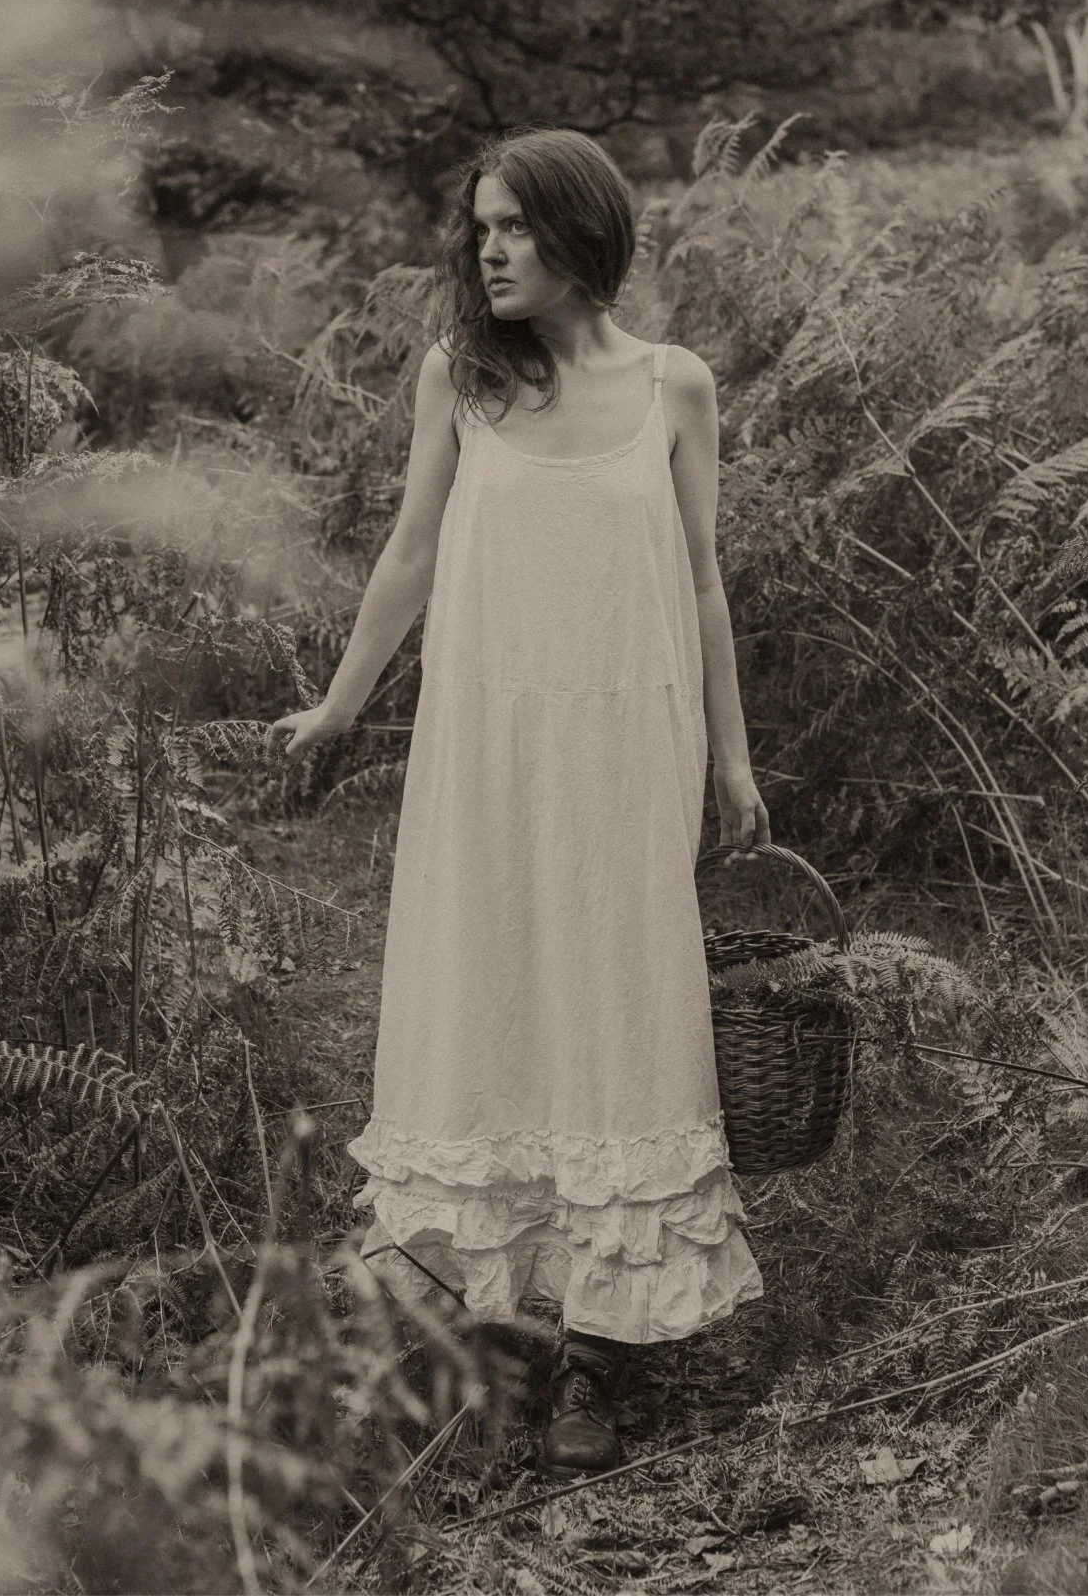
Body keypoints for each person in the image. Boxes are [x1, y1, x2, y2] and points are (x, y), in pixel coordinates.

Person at [273, 127, 769, 1479]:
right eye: (479, 227)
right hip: (487, 746)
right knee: (493, 988)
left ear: (579, 235)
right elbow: (413, 551)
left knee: (618, 1003)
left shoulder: (676, 388)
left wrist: (732, 763)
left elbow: (708, 584)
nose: (489, 250)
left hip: (627, 751)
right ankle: (508, 1334)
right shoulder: (461, 379)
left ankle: (607, 1358)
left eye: (515, 227)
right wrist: (339, 701)